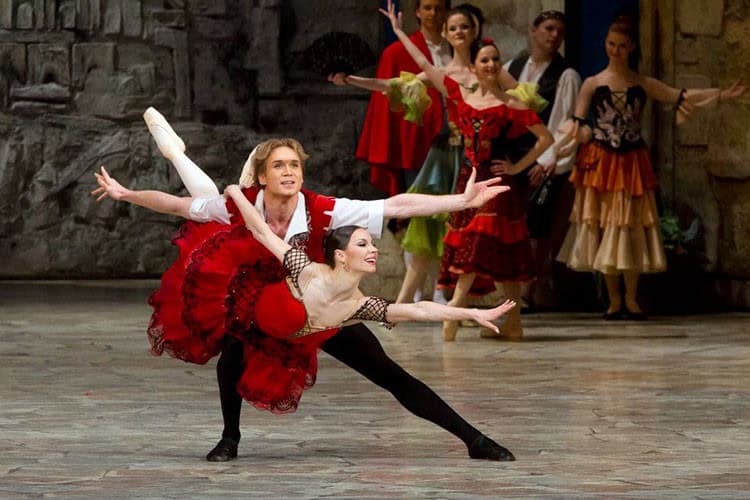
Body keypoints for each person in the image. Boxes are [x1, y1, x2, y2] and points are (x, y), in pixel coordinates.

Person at [92, 108, 518, 461]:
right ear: (261, 177)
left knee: (388, 372)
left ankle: (473, 440)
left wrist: (461, 200)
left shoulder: (323, 209)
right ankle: (230, 438)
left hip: (316, 303)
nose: (290, 171)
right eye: (279, 165)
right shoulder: (234, 206)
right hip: (259, 302)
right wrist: (125, 194)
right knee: (232, 354)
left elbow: (394, 204)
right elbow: (178, 204)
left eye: (294, 164)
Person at [375, 1, 554, 341]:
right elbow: (425, 65)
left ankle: (457, 313)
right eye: (484, 60)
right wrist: (398, 32)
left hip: (498, 185)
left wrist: (517, 166)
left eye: (495, 60)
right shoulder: (461, 97)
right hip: (469, 180)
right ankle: (507, 323)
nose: (490, 65)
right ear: (475, 65)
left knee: (486, 249)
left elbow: (545, 139)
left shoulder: (511, 104)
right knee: (489, 254)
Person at [555, 15, 747, 319]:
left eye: (621, 46)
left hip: (631, 161)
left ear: (631, 47)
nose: (615, 51)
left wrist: (721, 94)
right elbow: (578, 124)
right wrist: (566, 144)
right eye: (611, 44)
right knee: (606, 227)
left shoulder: (642, 82)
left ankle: (631, 297)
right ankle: (614, 299)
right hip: (602, 161)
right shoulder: (592, 83)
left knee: (630, 228)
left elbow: (680, 96)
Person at [330, 5, 520, 306]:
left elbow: (523, 102)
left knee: (471, 234)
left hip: (474, 160)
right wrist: (353, 80)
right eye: (454, 28)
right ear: (446, 32)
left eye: (466, 27)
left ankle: (461, 302)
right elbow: (394, 85)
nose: (460, 32)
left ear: (475, 31)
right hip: (444, 158)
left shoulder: (488, 67)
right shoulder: (443, 73)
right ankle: (405, 305)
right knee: (428, 227)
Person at [504, 10, 582, 313]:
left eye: (559, 32)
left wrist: (549, 158)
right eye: (548, 28)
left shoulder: (566, 75)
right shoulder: (514, 66)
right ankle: (509, 287)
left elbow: (566, 122)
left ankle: (528, 290)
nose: (554, 36)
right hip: (516, 156)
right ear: (534, 30)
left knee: (537, 227)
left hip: (547, 160)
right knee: (513, 222)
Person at [357, 0, 451, 197]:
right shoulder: (396, 53)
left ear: (447, 12)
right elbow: (386, 92)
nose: (433, 13)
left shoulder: (457, 49)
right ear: (417, 12)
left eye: (439, 8)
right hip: (416, 140)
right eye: (427, 8)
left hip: (459, 136)